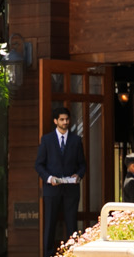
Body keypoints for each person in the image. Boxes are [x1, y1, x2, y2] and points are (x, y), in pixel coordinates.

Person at [35, 106, 86, 257]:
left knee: (72, 224)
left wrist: (78, 175)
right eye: (62, 120)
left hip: (71, 190)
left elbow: (83, 164)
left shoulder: (76, 140)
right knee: (50, 224)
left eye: (67, 119)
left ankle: (73, 254)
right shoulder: (46, 140)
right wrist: (49, 178)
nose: (65, 122)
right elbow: (38, 164)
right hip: (52, 189)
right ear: (55, 121)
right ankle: (48, 254)